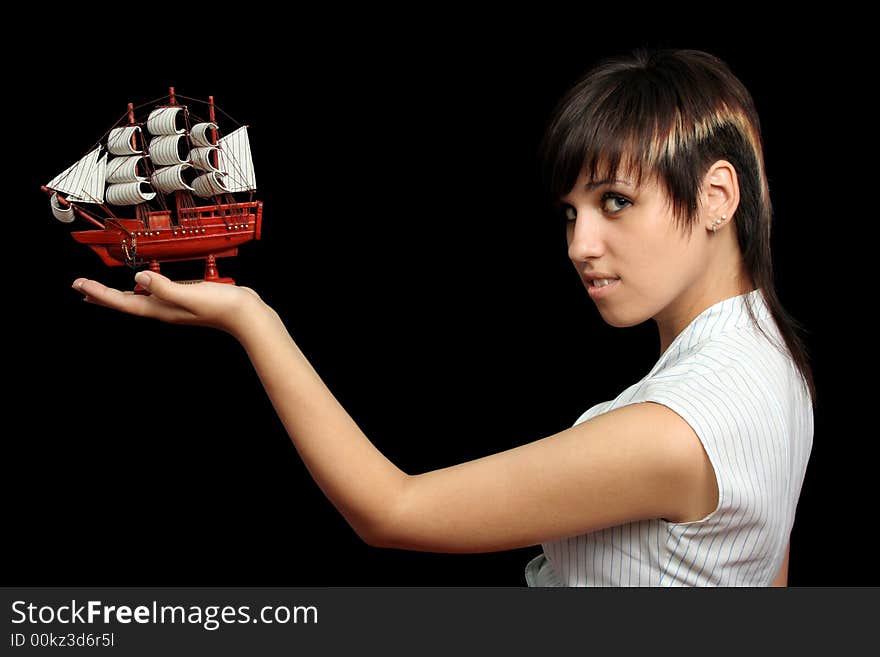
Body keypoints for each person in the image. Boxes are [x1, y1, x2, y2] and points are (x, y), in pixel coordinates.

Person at [71, 47, 815, 587]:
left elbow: (392, 508)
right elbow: (768, 572)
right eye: (569, 213)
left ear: (719, 196)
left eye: (616, 201)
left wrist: (251, 319)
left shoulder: (674, 431)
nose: (580, 246)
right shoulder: (776, 363)